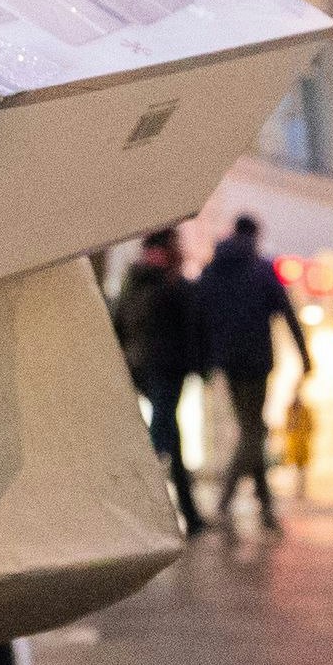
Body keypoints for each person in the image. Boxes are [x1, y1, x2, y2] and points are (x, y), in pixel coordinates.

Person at [193, 215, 309, 536]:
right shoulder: (262, 270)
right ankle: (226, 502)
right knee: (253, 432)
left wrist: (204, 361)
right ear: (255, 236)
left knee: (250, 427)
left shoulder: (214, 269)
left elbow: (199, 317)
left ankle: (266, 507)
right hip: (257, 363)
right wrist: (305, 357)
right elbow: (288, 314)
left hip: (228, 363)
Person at [110, 230, 208, 535]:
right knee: (161, 434)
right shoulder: (157, 283)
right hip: (157, 368)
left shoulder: (144, 282)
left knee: (170, 433)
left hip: (160, 367)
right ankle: (138, 502)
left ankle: (189, 514)